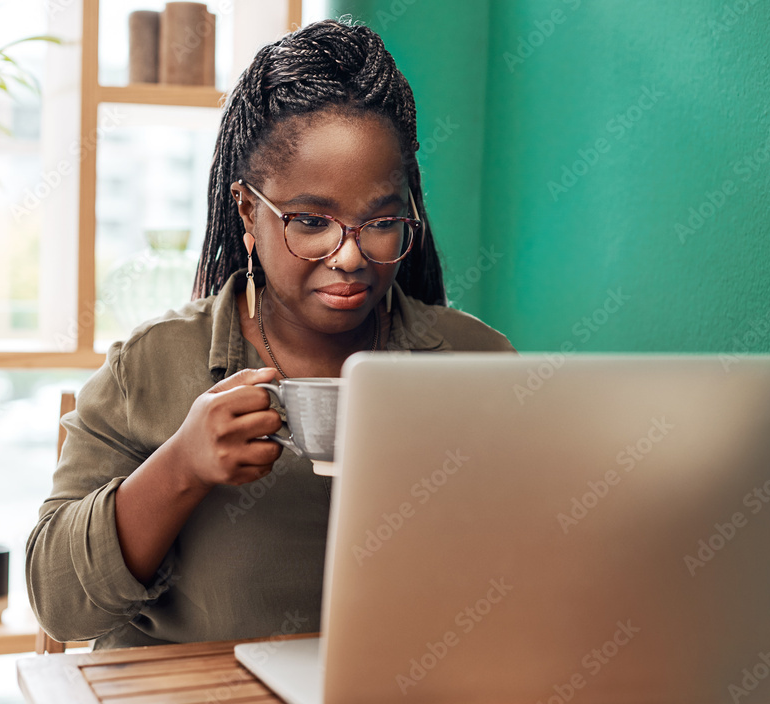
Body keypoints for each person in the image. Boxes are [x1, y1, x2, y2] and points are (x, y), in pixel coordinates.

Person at [26, 18, 515, 650]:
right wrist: (181, 467)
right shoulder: (152, 366)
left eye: (382, 220)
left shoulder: (479, 363)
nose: (349, 256)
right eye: (311, 221)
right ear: (248, 212)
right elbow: (59, 607)